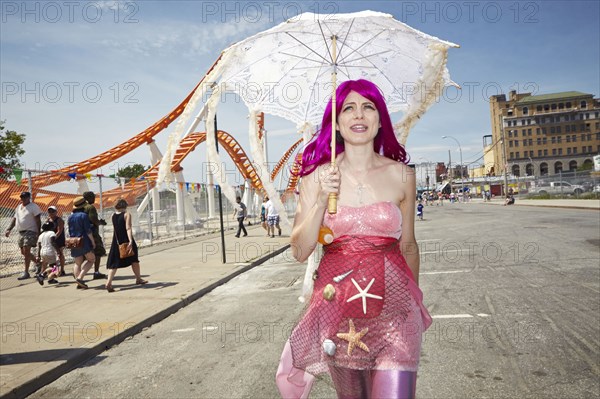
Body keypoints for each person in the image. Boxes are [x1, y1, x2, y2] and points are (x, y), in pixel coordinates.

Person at [276, 79, 431, 399]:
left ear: (380, 118)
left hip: (395, 315)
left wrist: (413, 303)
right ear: (336, 120)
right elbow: (300, 251)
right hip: (338, 314)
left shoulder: (403, 174)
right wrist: (320, 199)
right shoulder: (314, 176)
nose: (359, 114)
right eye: (349, 107)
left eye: (368, 106)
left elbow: (408, 245)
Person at [105, 198, 148, 293]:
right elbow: (128, 228)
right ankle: (138, 278)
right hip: (125, 239)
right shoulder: (127, 214)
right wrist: (130, 241)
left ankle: (109, 282)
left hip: (116, 242)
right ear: (125, 206)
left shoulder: (113, 215)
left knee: (114, 264)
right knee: (134, 260)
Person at [4, 192, 42, 280]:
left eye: (25, 197)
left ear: (29, 197)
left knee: (26, 251)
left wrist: (38, 232)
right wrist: (9, 229)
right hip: (21, 232)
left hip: (30, 231)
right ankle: (38, 263)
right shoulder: (18, 207)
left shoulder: (33, 206)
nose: (23, 199)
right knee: (24, 252)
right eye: (22, 197)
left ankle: (26, 272)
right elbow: (15, 219)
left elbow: (38, 220)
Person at [68, 197, 96, 289]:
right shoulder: (84, 216)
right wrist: (93, 242)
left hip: (73, 241)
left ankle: (78, 281)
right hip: (84, 240)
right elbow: (88, 231)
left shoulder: (70, 217)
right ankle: (80, 278)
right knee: (91, 259)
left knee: (77, 262)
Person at [82, 191, 107, 279]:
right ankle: (96, 272)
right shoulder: (90, 207)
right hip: (92, 233)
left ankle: (78, 272)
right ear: (89, 197)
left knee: (83, 254)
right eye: (93, 197)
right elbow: (94, 220)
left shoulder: (79, 207)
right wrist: (101, 223)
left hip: (81, 234)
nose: (94, 199)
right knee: (98, 251)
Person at [35, 221, 60, 286]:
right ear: (51, 227)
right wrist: (58, 251)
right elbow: (53, 242)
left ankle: (51, 279)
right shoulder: (51, 233)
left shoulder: (41, 235)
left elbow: (39, 246)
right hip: (49, 251)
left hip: (42, 252)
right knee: (55, 267)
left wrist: (38, 256)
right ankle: (42, 275)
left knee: (51, 266)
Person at [46, 206, 66, 276]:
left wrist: (54, 238)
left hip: (59, 239)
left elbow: (59, 230)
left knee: (59, 254)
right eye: (49, 211)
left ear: (56, 212)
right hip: (51, 240)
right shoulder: (48, 220)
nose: (51, 213)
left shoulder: (59, 220)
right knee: (52, 257)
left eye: (53, 211)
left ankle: (62, 269)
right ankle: (54, 271)